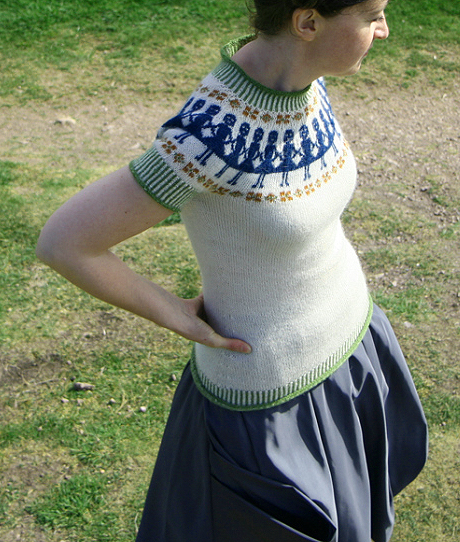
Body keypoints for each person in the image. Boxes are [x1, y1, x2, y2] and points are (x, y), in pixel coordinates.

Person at [36, 0, 428, 540]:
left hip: (353, 356)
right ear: (308, 23)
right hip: (272, 409)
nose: (384, 30)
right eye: (373, 16)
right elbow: (64, 243)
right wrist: (176, 314)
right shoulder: (210, 136)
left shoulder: (301, 80)